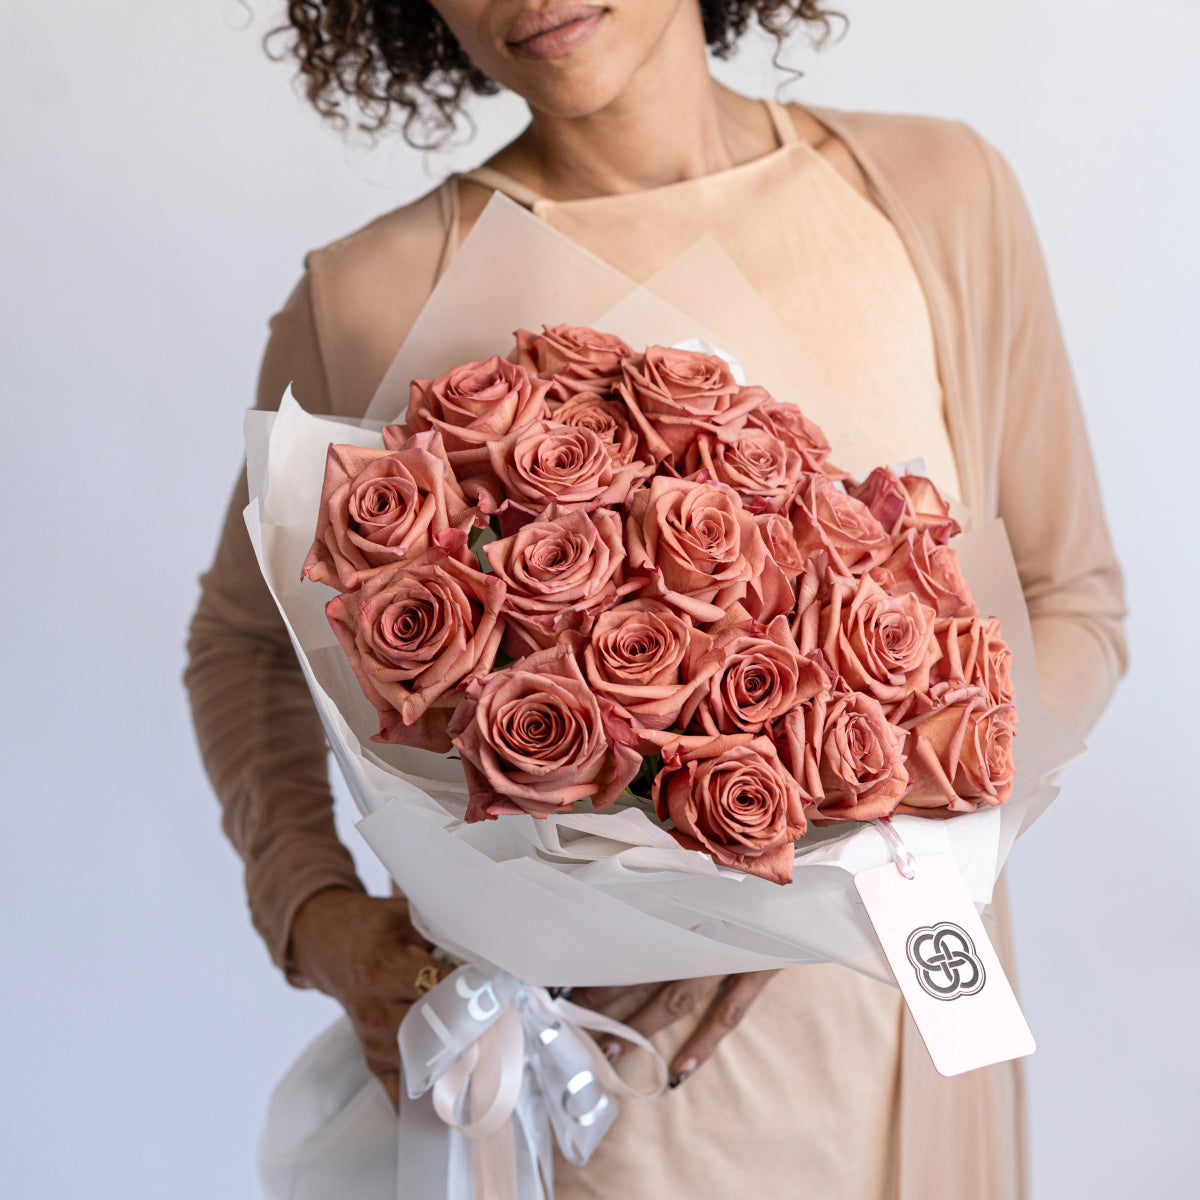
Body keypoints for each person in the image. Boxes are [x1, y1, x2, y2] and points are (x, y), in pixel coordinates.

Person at [185, 3, 1127, 1197]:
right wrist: (318, 917)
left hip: (899, 1032)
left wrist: (834, 879)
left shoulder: (938, 194)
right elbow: (243, 646)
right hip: (586, 1095)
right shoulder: (367, 294)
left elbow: (1069, 599)